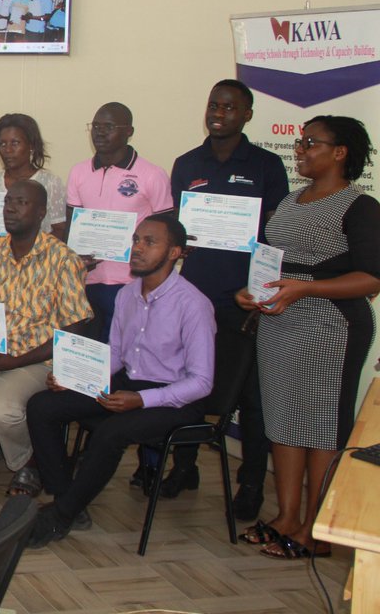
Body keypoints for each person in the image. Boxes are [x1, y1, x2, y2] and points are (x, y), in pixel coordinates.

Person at [235, 116, 379, 560]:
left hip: (331, 325)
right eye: (299, 141)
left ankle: (317, 527)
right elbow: (279, 263)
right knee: (282, 421)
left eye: (310, 143)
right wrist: (253, 291)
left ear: (340, 153)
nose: (299, 149)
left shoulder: (360, 207)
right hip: (280, 322)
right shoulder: (291, 200)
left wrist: (305, 288)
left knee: (320, 426)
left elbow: (371, 279)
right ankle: (287, 516)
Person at [25, 214, 216, 548]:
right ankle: (67, 497)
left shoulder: (193, 304)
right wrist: (74, 378)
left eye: (149, 242)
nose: (137, 248)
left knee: (111, 432)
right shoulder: (128, 294)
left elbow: (201, 383)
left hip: (174, 399)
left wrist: (141, 401)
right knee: (42, 405)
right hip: (130, 385)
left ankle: (61, 516)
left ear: (175, 253)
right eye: (136, 240)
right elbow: (114, 355)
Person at [160, 80, 288, 515]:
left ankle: (250, 484)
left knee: (250, 397)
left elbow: (275, 235)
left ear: (247, 115)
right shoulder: (187, 163)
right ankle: (185, 467)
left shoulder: (267, 166)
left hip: (246, 302)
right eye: (213, 105)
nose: (219, 113)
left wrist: (259, 288)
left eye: (230, 107)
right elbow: (179, 227)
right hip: (195, 295)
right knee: (190, 385)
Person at [0, 180, 91, 495]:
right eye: (8, 201)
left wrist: (15, 361)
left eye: (20, 202)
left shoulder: (63, 258)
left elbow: (73, 331)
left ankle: (30, 461)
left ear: (40, 213)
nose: (10, 207)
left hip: (35, 358)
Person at [65, 102, 172, 341]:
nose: (100, 132)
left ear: (129, 131)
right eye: (95, 126)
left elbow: (165, 233)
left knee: (125, 356)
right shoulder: (78, 172)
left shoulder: (152, 175)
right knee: (88, 354)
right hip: (86, 282)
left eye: (109, 126)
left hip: (131, 283)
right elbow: (72, 228)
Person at [0, 113, 66, 250]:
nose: (8, 150)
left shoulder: (50, 183)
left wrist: (34, 251)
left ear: (31, 145)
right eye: (2, 144)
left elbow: (59, 229)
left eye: (15, 143)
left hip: (35, 264)